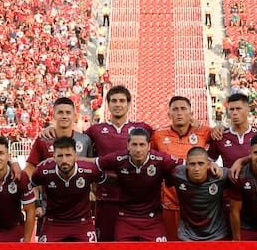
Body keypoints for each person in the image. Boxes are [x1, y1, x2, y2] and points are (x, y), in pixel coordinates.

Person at [83, 85, 153, 241]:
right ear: (108, 104)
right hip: (106, 198)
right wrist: (51, 130)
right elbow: (76, 143)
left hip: (136, 201)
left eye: (122, 101)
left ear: (129, 104)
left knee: (132, 249)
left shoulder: (143, 128)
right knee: (106, 247)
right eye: (114, 101)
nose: (118, 104)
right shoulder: (96, 130)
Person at [96, 128, 178, 241]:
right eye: (134, 144)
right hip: (126, 218)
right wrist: (73, 161)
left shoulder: (160, 160)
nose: (138, 149)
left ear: (149, 146)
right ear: (128, 146)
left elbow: (186, 165)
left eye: (142, 145)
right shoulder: (119, 159)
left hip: (153, 219)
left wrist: (210, 165)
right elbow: (94, 164)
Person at [151, 96, 212, 240]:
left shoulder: (204, 132)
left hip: (197, 201)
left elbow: (223, 134)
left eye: (183, 109)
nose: (179, 113)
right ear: (169, 114)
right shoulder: (158, 135)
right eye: (175, 109)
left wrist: (220, 128)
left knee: (196, 246)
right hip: (169, 202)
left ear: (191, 113)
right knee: (171, 245)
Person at [31, 136, 104, 242]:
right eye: (60, 156)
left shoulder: (89, 170)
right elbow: (32, 186)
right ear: (54, 157)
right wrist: (37, 204)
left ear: (75, 156)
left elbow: (105, 184)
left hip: (82, 223)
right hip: (53, 223)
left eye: (68, 155)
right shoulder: (43, 171)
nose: (64, 160)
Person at [166, 146, 230, 241]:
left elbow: (240, 175)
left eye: (201, 164)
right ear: (186, 165)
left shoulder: (220, 175)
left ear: (208, 164)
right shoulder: (177, 174)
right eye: (192, 164)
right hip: (187, 236)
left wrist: (240, 161)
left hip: (216, 235)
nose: (196, 168)